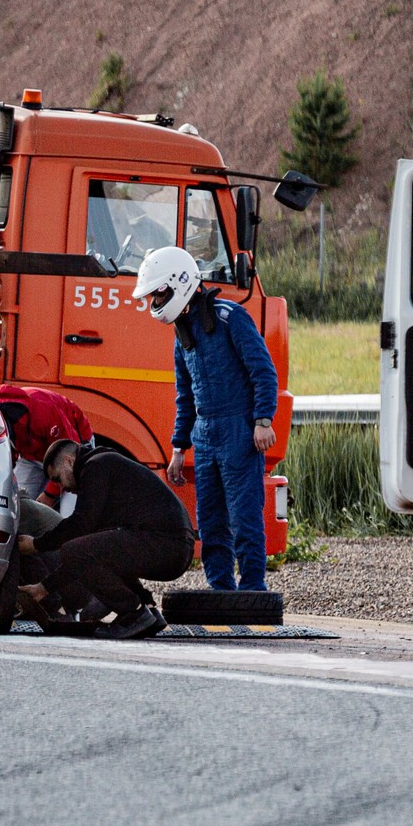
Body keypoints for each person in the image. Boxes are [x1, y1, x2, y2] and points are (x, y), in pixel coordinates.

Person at [133, 246, 278, 592]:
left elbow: (263, 371)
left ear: (178, 283)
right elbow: (185, 395)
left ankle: (253, 590)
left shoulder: (230, 317)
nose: (155, 301)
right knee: (210, 520)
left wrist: (262, 421)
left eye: (159, 293)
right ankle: (221, 590)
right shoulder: (182, 332)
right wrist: (178, 448)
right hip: (205, 435)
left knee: (244, 517)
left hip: (238, 432)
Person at [28, 439, 192, 639]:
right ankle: (148, 611)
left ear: (70, 461)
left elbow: (80, 525)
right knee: (95, 550)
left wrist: (37, 545)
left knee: (75, 549)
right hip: (172, 547)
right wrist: (43, 588)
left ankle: (134, 613)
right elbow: (89, 552)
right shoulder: (107, 467)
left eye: (58, 479)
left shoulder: (96, 467)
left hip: (167, 546)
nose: (63, 488)